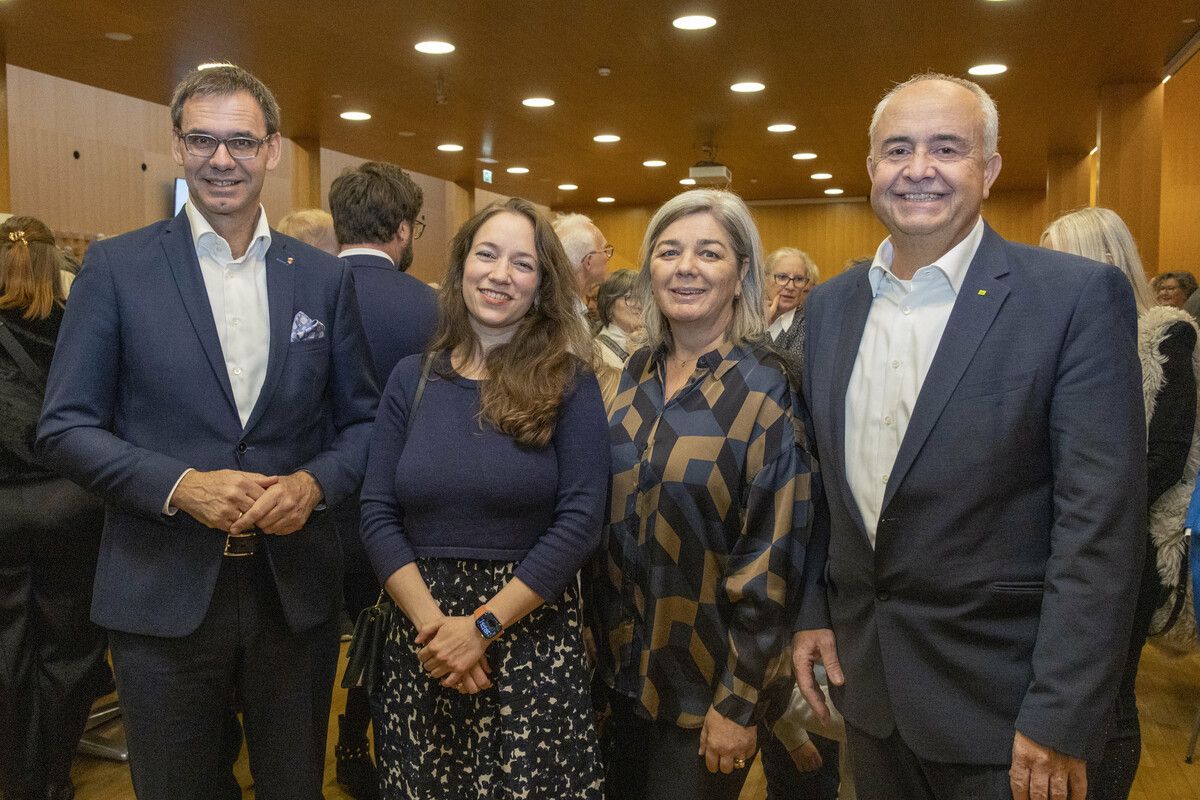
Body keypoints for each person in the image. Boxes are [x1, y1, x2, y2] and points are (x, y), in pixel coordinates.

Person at [793, 73, 1145, 800]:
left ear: (989, 170)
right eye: (898, 149)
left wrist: (1062, 713)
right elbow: (826, 489)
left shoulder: (1071, 299)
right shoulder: (829, 308)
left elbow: (1100, 528)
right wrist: (814, 613)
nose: (918, 168)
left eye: (946, 148)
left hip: (1010, 714)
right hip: (872, 693)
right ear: (870, 171)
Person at [36, 64, 379, 800]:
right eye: (203, 140)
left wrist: (315, 483)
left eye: (241, 143)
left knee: (294, 787)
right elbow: (63, 427)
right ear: (177, 146)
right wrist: (179, 485)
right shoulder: (116, 268)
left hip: (294, 598)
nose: (222, 160)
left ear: (274, 150)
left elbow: (365, 424)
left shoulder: (323, 280)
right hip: (160, 593)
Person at [360, 197, 609, 799]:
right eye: (487, 254)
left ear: (542, 284)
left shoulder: (570, 384)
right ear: (461, 266)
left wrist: (482, 627)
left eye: (522, 264)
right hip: (424, 646)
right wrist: (437, 631)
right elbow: (376, 511)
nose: (500, 275)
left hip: (529, 643)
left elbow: (580, 523)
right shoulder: (410, 379)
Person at [589, 188, 813, 800]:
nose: (685, 267)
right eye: (669, 251)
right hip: (616, 685)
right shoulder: (633, 376)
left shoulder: (767, 392)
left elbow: (772, 564)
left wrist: (739, 703)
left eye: (708, 253)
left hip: (701, 701)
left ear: (742, 276)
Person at [1042, 206, 1200, 798]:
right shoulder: (1048, 336)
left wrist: (1092, 509)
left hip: (1121, 547)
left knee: (1109, 702)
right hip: (1050, 545)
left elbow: (1166, 451)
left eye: (1057, 255)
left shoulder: (1163, 334)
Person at [327, 159, 439, 800]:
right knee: (392, 635)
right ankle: (367, 746)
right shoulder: (433, 309)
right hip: (399, 510)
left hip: (310, 504)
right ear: (402, 229)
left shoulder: (302, 291)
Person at [0, 216, 106, 800]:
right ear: (54, 264)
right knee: (70, 646)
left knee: (6, 646)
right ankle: (53, 773)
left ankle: (20, 779)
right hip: (71, 502)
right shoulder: (77, 329)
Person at [764, 247, 819, 370]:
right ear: (765, 279)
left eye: (799, 279)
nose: (790, 286)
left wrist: (760, 330)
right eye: (782, 277)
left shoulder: (808, 322)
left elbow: (793, 372)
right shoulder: (746, 314)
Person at [553, 212, 612, 326]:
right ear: (589, 261)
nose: (607, 257)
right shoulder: (561, 316)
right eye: (604, 250)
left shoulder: (568, 305)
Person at [593, 269, 643, 368]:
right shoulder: (596, 353)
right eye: (630, 297)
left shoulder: (646, 347)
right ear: (609, 306)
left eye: (643, 297)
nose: (639, 304)